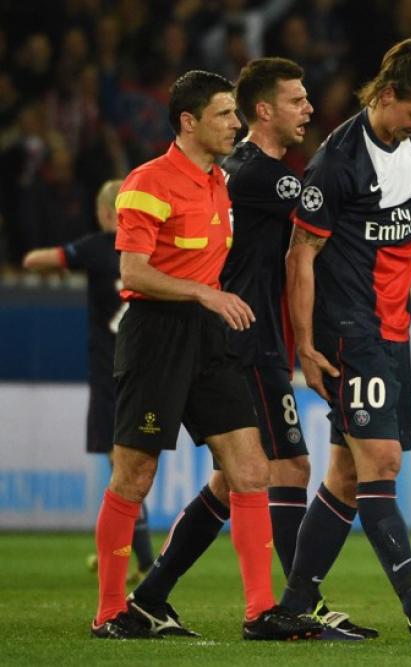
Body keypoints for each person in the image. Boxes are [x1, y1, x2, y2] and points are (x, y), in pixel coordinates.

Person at [124, 58, 372, 640]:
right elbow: (337, 219)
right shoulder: (262, 175)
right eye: (297, 100)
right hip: (246, 341)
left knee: (236, 479)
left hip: (249, 337)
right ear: (264, 110)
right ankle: (299, 603)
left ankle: (151, 595)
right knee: (288, 466)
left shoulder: (238, 173)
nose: (308, 109)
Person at [90, 69, 322, 641]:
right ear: (189, 122)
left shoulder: (220, 181)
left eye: (235, 113)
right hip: (156, 336)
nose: (235, 124)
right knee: (135, 475)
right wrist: (205, 293)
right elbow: (133, 272)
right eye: (223, 114)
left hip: (211, 339)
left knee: (250, 469)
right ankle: (112, 612)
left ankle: (260, 611)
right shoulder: (147, 181)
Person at [282, 38, 411, 641]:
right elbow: (301, 255)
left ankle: (295, 602)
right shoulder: (337, 161)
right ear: (386, 95)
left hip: (391, 327)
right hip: (351, 328)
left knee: (347, 475)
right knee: (383, 460)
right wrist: (305, 345)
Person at [22, 179, 156, 585]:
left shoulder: (97, 247)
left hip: (108, 374)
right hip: (147, 372)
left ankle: (143, 560)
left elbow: (34, 261)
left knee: (122, 468)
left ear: (106, 212)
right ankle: (120, 548)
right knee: (132, 468)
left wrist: (51, 260)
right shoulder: (151, 248)